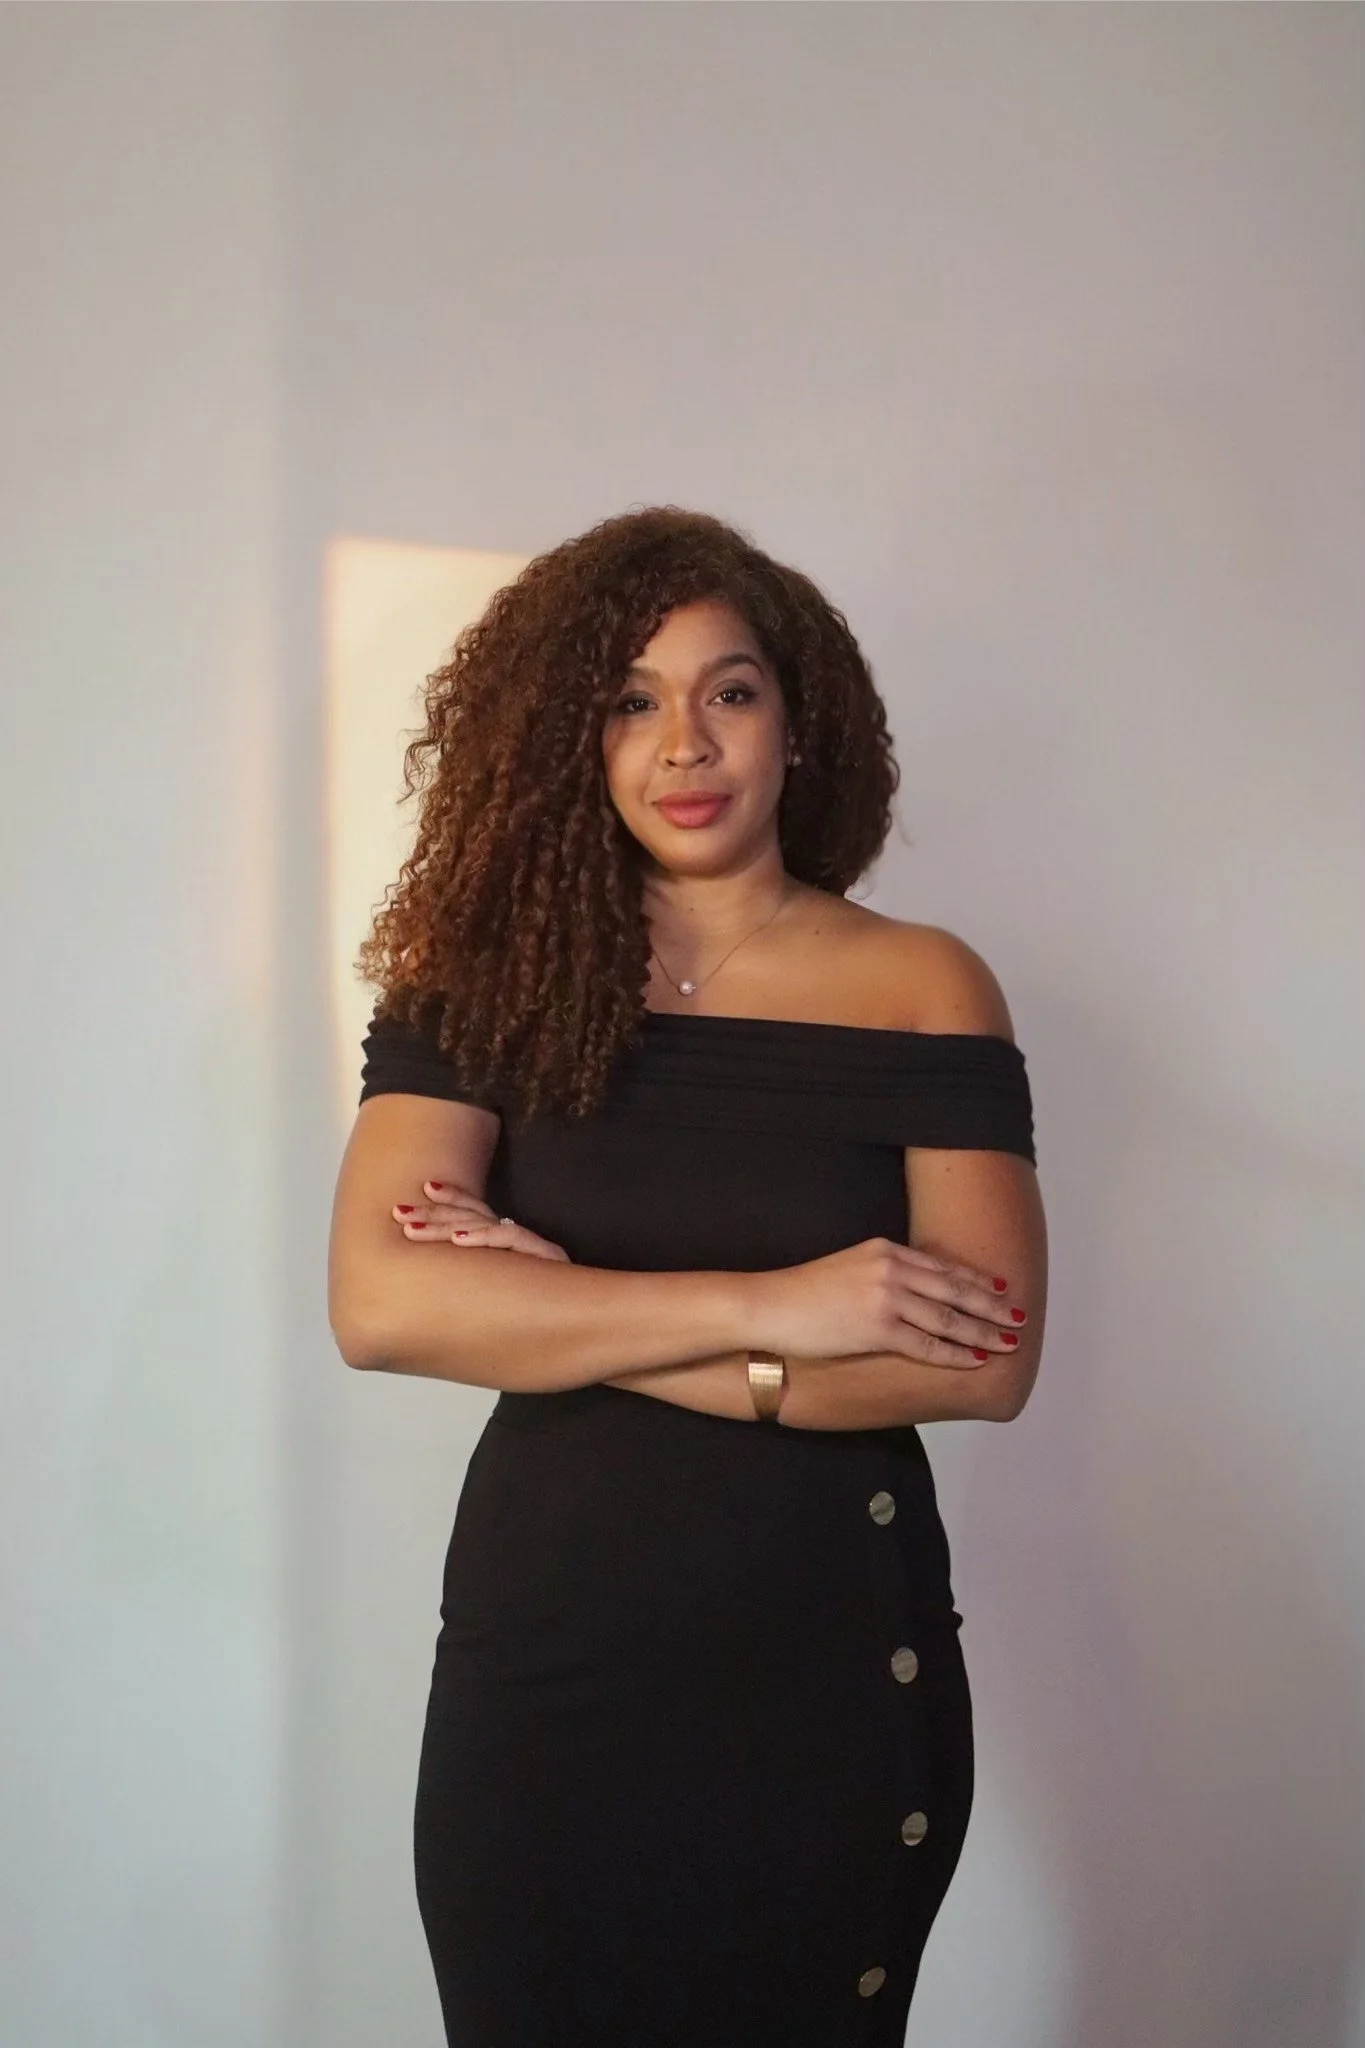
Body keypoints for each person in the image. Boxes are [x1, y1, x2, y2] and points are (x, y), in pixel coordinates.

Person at [327, 504, 1048, 2047]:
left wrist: (558, 1304)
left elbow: (981, 1358)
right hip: (550, 1666)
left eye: (729, 691)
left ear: (799, 723)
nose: (686, 742)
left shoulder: (923, 984)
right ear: (565, 740)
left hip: (829, 1664)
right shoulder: (483, 983)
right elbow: (384, 1307)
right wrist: (776, 1306)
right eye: (630, 700)